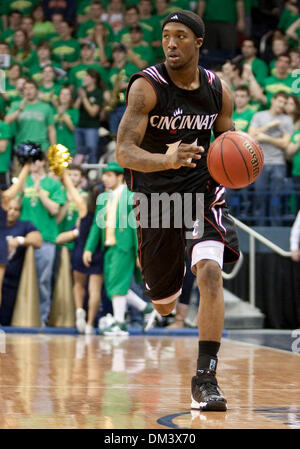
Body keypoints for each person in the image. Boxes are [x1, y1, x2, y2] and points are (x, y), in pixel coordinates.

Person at [116, 10, 239, 411]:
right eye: (166, 36)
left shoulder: (219, 90)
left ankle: (205, 378)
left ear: (198, 42)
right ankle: (166, 286)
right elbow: (123, 152)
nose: (171, 43)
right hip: (156, 199)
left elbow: (228, 142)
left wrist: (242, 156)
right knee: (164, 302)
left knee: (209, 274)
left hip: (202, 192)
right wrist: (166, 159)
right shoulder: (145, 88)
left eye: (180, 36)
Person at [83, 161, 152, 336]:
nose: (105, 178)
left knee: (117, 286)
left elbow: (138, 227)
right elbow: (95, 225)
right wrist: (89, 248)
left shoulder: (130, 196)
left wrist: (139, 251)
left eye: (109, 175)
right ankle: (146, 308)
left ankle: (120, 323)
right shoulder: (104, 197)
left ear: (120, 177)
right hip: (109, 246)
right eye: (104, 175)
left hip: (124, 246)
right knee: (115, 286)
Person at [19, 153, 66, 326]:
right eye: (29, 161)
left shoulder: (53, 184)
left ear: (43, 162)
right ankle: (19, 316)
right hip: (23, 238)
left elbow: (54, 209)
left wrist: (40, 192)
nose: (31, 164)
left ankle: (41, 318)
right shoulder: (23, 181)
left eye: (35, 160)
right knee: (18, 278)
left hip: (45, 238)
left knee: (42, 281)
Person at [56, 167, 103, 335]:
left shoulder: (84, 208)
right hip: (98, 252)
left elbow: (71, 190)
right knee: (95, 290)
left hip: (80, 248)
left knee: (78, 284)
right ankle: (90, 324)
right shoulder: (107, 210)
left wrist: (64, 174)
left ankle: (78, 312)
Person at [249, 91, 294, 225]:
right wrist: (270, 125)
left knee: (276, 199)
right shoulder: (259, 116)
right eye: (279, 101)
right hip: (260, 163)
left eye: (284, 103)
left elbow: (285, 143)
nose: (281, 105)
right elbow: (251, 136)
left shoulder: (286, 120)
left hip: (278, 164)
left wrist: (265, 137)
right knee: (259, 198)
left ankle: (275, 230)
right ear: (273, 100)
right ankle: (259, 230)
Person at [0, 198, 42, 325]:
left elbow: (38, 241)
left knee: (6, 319)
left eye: (16, 209)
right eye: (9, 208)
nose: (11, 212)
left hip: (12, 282)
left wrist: (19, 240)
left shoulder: (24, 225)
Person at [0, 163, 30, 307]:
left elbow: (17, 188)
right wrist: (27, 165)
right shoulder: (5, 198)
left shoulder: (5, 199)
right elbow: (17, 186)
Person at [5, 79, 57, 152]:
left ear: (37, 91)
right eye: (26, 88)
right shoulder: (16, 105)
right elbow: (7, 121)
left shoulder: (46, 107)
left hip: (41, 146)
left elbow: (51, 129)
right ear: (23, 91)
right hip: (22, 145)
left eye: (31, 88)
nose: (29, 91)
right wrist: (19, 110)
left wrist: (54, 147)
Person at [74, 68, 103, 164]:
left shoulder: (98, 93)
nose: (84, 78)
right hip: (79, 126)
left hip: (91, 127)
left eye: (87, 76)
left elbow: (93, 112)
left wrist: (84, 97)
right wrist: (80, 96)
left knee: (91, 153)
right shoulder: (82, 91)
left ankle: (91, 174)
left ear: (94, 79)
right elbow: (75, 108)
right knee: (78, 153)